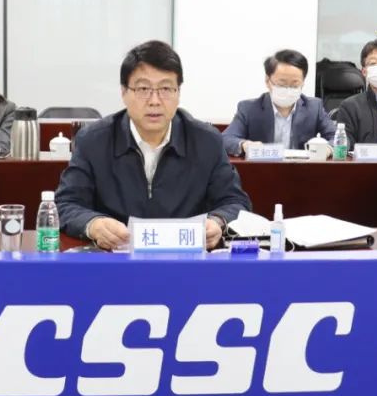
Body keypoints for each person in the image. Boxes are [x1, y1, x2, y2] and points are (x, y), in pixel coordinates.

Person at [56, 40, 252, 250]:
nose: (155, 101)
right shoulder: (93, 140)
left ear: (178, 93)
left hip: (186, 260)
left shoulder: (206, 141)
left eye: (166, 88)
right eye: (143, 89)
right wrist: (93, 224)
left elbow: (235, 202)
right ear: (124, 92)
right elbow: (65, 204)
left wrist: (218, 222)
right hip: (115, 259)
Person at [221, 49, 336, 156]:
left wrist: (327, 149)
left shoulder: (314, 107)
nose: (288, 89)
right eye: (282, 84)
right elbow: (226, 138)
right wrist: (244, 145)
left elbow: (338, 138)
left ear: (303, 83)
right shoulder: (249, 108)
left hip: (301, 168)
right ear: (268, 81)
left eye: (295, 85)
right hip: (263, 168)